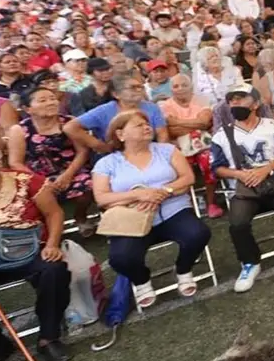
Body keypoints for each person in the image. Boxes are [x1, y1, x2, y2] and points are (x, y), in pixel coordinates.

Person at [93, 110, 209, 308]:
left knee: (198, 233)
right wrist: (138, 195)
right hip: (131, 218)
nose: (147, 127)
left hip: (173, 210)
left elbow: (188, 178)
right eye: (138, 125)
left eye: (147, 124)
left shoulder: (167, 150)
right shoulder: (106, 163)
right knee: (120, 258)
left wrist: (164, 191)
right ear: (120, 135)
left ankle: (183, 270)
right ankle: (142, 280)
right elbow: (102, 197)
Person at [210, 84, 274, 292]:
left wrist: (265, 170)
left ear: (255, 104)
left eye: (241, 98)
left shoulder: (273, 127)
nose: (235, 103)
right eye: (232, 100)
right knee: (237, 223)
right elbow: (217, 167)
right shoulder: (222, 135)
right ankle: (250, 262)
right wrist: (240, 174)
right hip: (244, 188)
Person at [0, 148, 73, 361]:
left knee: (53, 269)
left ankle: (49, 337)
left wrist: (53, 245)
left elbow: (54, 214)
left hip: (28, 250)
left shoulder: (26, 181)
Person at [7, 87, 94, 234]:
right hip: (37, 176)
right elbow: (15, 162)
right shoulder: (19, 130)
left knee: (89, 184)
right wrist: (40, 181)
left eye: (52, 99)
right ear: (27, 108)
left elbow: (82, 151)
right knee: (34, 194)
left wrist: (67, 176)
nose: (51, 103)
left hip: (71, 170)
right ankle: (48, 230)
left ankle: (81, 217)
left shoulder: (70, 122)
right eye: (42, 100)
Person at [65, 70, 170, 153]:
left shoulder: (152, 108)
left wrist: (160, 155)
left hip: (147, 151)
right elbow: (70, 127)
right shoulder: (104, 111)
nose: (139, 90)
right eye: (133, 88)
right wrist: (99, 145)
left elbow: (162, 135)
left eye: (140, 87)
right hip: (115, 155)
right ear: (116, 94)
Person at [159, 74, 219, 217]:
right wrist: (196, 123)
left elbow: (205, 122)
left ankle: (212, 203)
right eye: (175, 86)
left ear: (191, 86)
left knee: (208, 162)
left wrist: (178, 122)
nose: (180, 89)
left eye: (184, 85)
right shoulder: (165, 105)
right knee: (178, 169)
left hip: (204, 144)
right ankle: (187, 205)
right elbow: (171, 130)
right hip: (179, 147)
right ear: (171, 89)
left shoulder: (202, 99)